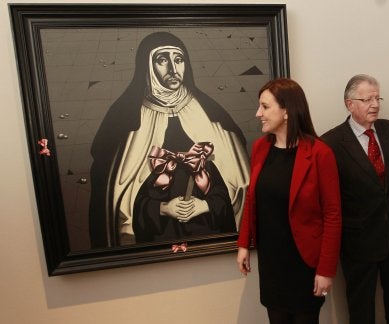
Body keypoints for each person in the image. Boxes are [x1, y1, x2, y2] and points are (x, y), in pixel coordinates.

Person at [89, 32, 249, 247]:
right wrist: (163, 208)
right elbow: (116, 196)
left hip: (210, 229)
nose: (173, 70)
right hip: (156, 233)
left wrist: (206, 205)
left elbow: (239, 182)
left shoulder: (211, 115)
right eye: (163, 60)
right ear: (147, 66)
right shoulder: (125, 121)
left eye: (179, 60)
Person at [236, 78, 342, 324]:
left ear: (286, 111)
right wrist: (244, 244)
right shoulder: (260, 148)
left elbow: (333, 215)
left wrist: (326, 270)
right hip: (272, 261)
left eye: (265, 107)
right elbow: (253, 199)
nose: (258, 113)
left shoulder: (320, 153)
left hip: (305, 263)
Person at [321, 74, 389, 324]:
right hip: (358, 242)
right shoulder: (332, 142)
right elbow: (331, 199)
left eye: (377, 97)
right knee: (361, 308)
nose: (375, 104)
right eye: (367, 99)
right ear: (350, 104)